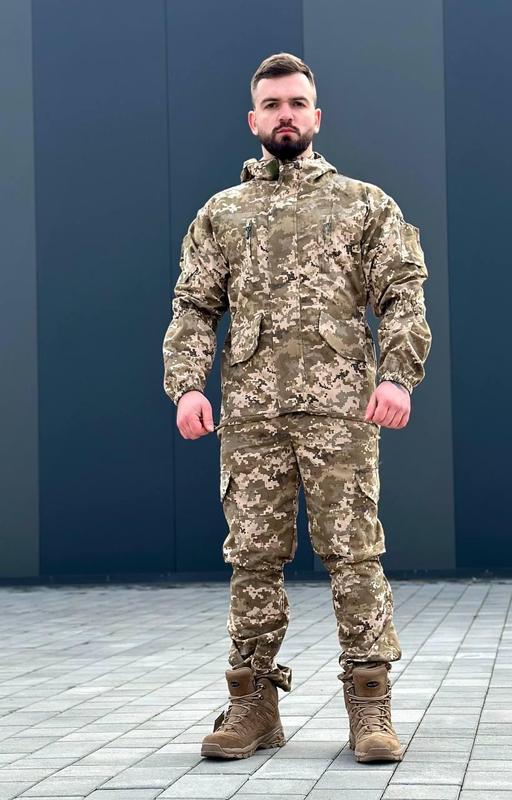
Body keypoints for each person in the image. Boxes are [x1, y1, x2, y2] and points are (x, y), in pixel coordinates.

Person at [162, 52, 432, 763]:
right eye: (273, 105)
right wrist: (187, 384)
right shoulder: (222, 213)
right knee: (252, 559)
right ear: (254, 120)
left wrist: (398, 376)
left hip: (342, 411)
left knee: (354, 554)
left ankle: (369, 706)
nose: (286, 115)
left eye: (297, 103)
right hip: (251, 416)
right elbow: (194, 307)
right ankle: (253, 705)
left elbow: (402, 294)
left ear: (317, 116)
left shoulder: (364, 204)